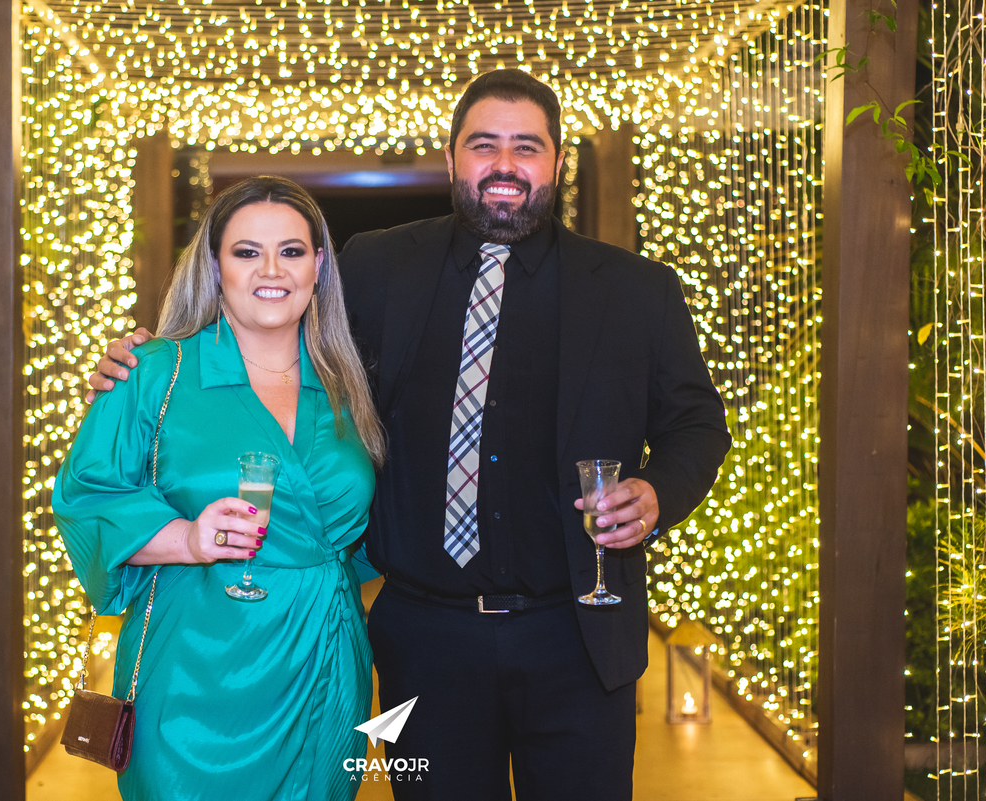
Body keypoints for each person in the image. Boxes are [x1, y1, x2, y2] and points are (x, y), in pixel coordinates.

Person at [88, 70, 730, 800]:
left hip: (579, 636)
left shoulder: (637, 290)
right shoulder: (374, 266)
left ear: (557, 162)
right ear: (452, 157)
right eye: (484, 145)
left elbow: (696, 424)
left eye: (527, 147)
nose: (505, 164)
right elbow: (273, 332)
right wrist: (149, 366)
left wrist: (658, 491)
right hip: (422, 642)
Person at [53, 175, 385, 801]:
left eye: (291, 251)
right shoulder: (154, 372)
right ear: (214, 266)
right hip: (193, 673)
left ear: (318, 265)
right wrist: (187, 538)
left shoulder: (350, 384)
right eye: (247, 251)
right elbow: (86, 497)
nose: (272, 270)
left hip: (324, 662)